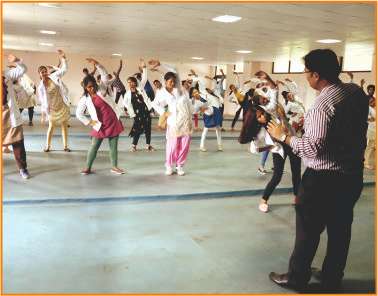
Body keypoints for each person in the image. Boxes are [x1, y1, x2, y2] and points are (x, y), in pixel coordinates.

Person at [267, 49, 369, 291]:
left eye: (305, 73)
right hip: (351, 175)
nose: (305, 77)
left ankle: (296, 278)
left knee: (307, 232)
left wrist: (284, 137)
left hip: (322, 180)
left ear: (315, 74)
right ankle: (333, 276)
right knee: (340, 229)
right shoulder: (355, 92)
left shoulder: (322, 105)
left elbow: (312, 149)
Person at [76, 58, 125, 175]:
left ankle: (114, 167)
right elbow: (79, 113)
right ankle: (87, 167)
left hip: (112, 121)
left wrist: (97, 64)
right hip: (99, 125)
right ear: (85, 88)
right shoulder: (85, 99)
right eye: (88, 87)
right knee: (94, 147)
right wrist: (89, 122)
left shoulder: (101, 88)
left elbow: (104, 73)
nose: (91, 88)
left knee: (113, 147)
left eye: (92, 86)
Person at [149, 59, 195, 176]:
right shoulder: (161, 93)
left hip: (185, 122)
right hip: (174, 123)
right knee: (172, 146)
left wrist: (161, 64)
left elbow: (175, 69)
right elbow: (154, 104)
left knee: (184, 146)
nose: (173, 83)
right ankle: (169, 165)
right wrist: (164, 112)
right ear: (165, 81)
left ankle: (180, 165)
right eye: (170, 81)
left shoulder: (179, 90)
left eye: (174, 81)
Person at [37, 49, 71, 152]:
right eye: (42, 72)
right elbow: (43, 101)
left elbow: (64, 70)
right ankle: (47, 146)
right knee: (51, 127)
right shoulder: (40, 87)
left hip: (62, 105)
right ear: (39, 74)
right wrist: (43, 114)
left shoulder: (54, 76)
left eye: (45, 71)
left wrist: (63, 58)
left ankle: (65, 146)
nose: (44, 73)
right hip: (52, 109)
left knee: (64, 126)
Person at [3, 54, 30, 179]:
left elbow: (23, 69)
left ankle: (22, 168)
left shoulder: (7, 74)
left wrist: (17, 61)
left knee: (18, 143)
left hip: (10, 115)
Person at [123, 59, 154, 152]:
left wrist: (144, 67)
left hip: (145, 111)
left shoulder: (140, 88)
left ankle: (148, 145)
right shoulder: (127, 94)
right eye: (128, 82)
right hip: (137, 114)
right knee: (137, 129)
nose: (130, 83)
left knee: (148, 128)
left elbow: (144, 78)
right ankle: (134, 146)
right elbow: (126, 104)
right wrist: (128, 111)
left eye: (132, 82)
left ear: (135, 82)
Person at [189, 87, 223, 152]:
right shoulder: (195, 103)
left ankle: (220, 145)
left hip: (214, 110)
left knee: (218, 128)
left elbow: (210, 101)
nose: (196, 93)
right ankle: (201, 146)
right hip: (208, 115)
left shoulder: (203, 95)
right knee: (205, 130)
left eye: (196, 91)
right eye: (194, 92)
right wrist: (201, 111)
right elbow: (195, 112)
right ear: (192, 95)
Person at [364, 96, 375, 169]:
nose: (373, 102)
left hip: (373, 129)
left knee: (370, 146)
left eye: (373, 101)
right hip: (369, 129)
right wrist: (371, 118)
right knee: (368, 147)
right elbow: (367, 117)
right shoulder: (367, 108)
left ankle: (366, 162)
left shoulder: (372, 108)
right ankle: (366, 163)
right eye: (371, 101)